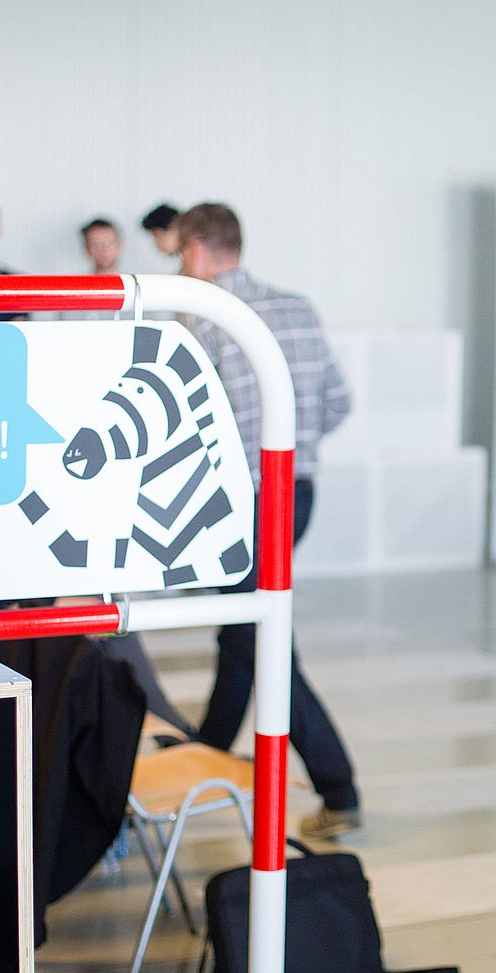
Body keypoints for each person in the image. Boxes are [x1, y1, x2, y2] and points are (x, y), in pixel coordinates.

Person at [176, 201, 361, 839]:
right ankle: (209, 749)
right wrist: (298, 442)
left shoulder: (204, 321)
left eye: (179, 255)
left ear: (197, 250)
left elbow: (192, 432)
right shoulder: (299, 308)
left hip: (243, 504)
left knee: (263, 642)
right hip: (296, 494)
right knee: (243, 631)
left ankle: (339, 789)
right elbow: (340, 401)